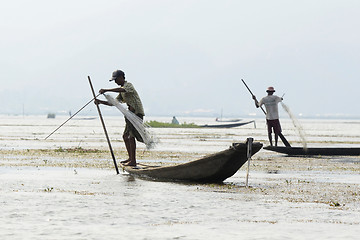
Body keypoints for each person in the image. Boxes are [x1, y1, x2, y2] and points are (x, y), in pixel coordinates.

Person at [95, 69, 145, 167]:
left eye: (116, 79)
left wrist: (106, 90)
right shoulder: (121, 91)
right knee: (125, 136)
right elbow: (113, 103)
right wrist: (100, 102)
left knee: (131, 136)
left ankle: (133, 161)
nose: (115, 81)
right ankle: (130, 158)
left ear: (121, 77)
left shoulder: (128, 85)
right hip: (130, 114)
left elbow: (123, 89)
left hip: (136, 114)